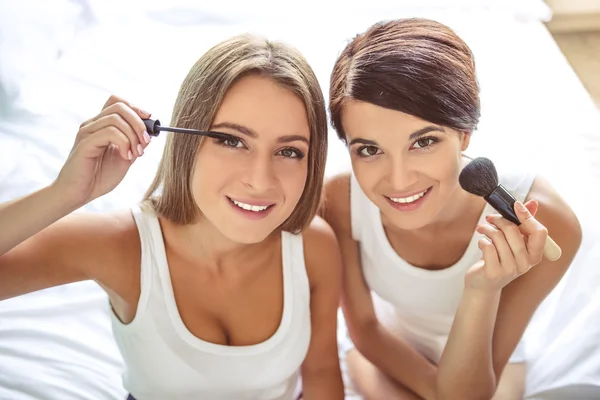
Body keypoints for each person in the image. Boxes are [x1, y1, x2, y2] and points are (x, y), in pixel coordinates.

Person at [0, 34, 344, 400]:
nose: (260, 180)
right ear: (185, 140)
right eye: (230, 140)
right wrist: (65, 194)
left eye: (289, 151)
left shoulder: (314, 247)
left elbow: (321, 372)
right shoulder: (124, 246)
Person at [323, 18, 582, 400]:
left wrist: (483, 289)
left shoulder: (548, 225)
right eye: (369, 149)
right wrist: (437, 391)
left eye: (423, 141)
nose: (398, 181)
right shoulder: (340, 202)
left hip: (492, 366)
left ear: (464, 134)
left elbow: (471, 391)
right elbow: (363, 326)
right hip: (385, 353)